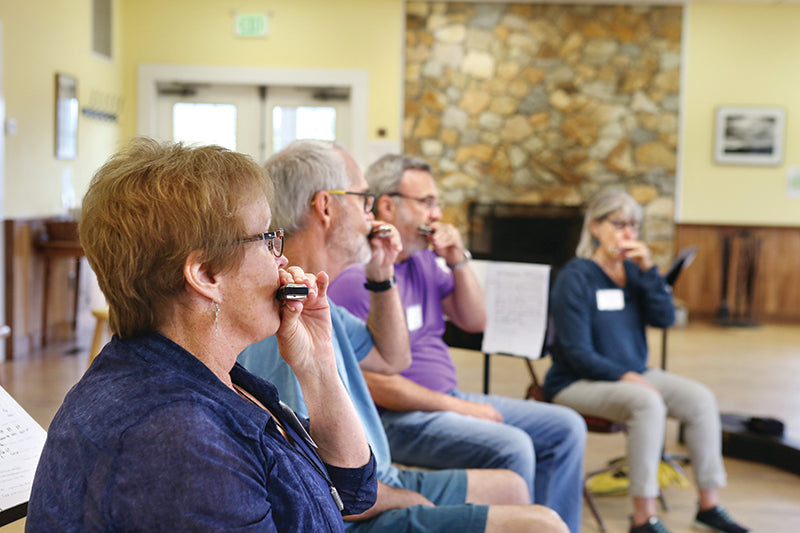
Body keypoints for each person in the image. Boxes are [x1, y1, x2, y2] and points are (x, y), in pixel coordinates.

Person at [26, 138, 377, 531]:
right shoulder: (176, 437)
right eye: (266, 239)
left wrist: (317, 364)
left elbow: (353, 490)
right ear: (205, 274)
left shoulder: (215, 375)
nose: (282, 259)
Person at [238, 139, 568, 533]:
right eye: (364, 199)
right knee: (542, 524)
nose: (370, 214)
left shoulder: (316, 298)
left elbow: (393, 358)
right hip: (355, 507)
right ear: (326, 207)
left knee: (512, 486)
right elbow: (316, 485)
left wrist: (382, 274)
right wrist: (408, 500)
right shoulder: (287, 318)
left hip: (381, 477)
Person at [328, 154, 587, 533]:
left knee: (566, 426)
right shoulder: (358, 278)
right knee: (513, 445)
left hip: (449, 397)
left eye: (438, 202)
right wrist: (460, 407)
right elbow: (370, 382)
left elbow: (475, 321)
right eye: (427, 202)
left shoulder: (425, 262)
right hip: (401, 416)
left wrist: (458, 260)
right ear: (387, 205)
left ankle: (554, 526)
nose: (437, 213)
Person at [543, 189, 751, 533]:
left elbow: (665, 318)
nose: (628, 234)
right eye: (619, 224)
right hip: (575, 381)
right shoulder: (575, 277)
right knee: (646, 401)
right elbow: (577, 354)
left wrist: (651, 271)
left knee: (699, 399)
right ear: (595, 226)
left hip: (632, 373)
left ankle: (709, 506)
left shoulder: (635, 272)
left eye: (634, 226)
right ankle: (643, 518)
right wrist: (625, 377)